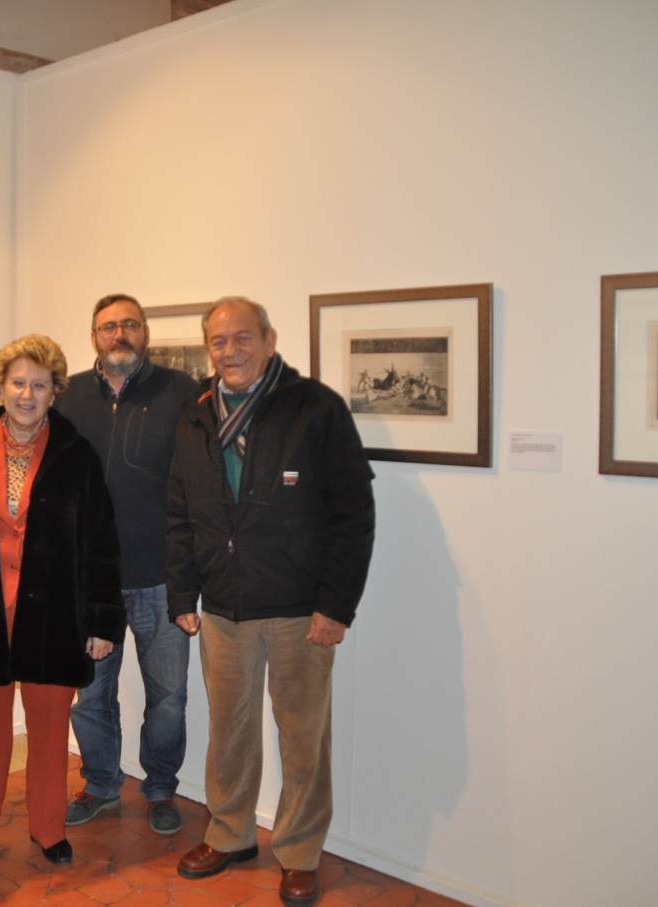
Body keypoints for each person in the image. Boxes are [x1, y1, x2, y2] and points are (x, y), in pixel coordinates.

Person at [166, 298, 376, 907]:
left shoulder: (315, 408)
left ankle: (301, 851)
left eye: (241, 338)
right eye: (218, 342)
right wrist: (184, 591)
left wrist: (336, 605)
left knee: (302, 735)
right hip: (223, 607)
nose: (229, 352)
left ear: (268, 339)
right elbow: (178, 510)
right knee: (228, 733)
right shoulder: (196, 413)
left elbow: (352, 514)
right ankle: (231, 833)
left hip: (297, 609)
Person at [0, 334, 126, 869]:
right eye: (18, 382)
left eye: (40, 384)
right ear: (1, 387)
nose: (27, 394)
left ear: (56, 393)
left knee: (50, 730)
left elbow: (101, 542)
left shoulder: (77, 455)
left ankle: (49, 828)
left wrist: (101, 620)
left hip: (54, 614)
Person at [57, 293, 198, 835]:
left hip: (161, 580)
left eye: (130, 325)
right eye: (108, 326)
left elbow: (198, 484)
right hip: (91, 583)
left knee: (168, 698)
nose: (120, 334)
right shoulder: (68, 395)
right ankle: (99, 785)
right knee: (91, 696)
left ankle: (161, 789)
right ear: (94, 336)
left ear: (146, 333)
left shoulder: (182, 392)